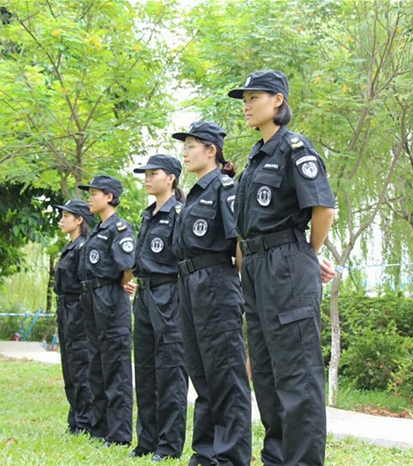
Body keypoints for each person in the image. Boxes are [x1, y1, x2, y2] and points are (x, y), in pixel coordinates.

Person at [227, 70, 337, 465]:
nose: (246, 105)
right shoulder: (255, 160)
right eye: (244, 99)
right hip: (256, 269)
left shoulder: (295, 149)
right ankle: (276, 459)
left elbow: (323, 209)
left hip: (287, 266)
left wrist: (306, 253)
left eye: (254, 97)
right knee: (267, 374)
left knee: (297, 375)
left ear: (277, 101)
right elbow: (245, 228)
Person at [171, 121, 252, 466]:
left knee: (226, 377)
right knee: (201, 376)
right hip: (189, 285)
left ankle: (231, 457)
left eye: (191, 146)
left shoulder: (224, 187)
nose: (185, 153)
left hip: (216, 282)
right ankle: (205, 455)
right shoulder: (193, 194)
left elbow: (240, 243)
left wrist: (238, 288)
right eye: (184, 146)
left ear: (211, 150)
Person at [126, 154, 188, 461]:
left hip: (169, 294)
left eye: (154, 173)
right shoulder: (148, 215)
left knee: (170, 371)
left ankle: (168, 445)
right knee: (145, 370)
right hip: (145, 296)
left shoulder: (179, 213)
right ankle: (146, 441)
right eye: (146, 174)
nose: (147, 178)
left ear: (171, 178)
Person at [77, 175, 136, 447]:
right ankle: (100, 429)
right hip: (92, 299)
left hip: (110, 298)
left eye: (94, 194)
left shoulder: (119, 228)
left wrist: (117, 286)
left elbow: (128, 268)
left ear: (109, 197)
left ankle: (119, 434)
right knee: (97, 365)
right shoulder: (97, 230)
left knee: (116, 367)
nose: (89, 198)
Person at [53, 199, 95, 436]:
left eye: (66, 216)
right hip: (65, 310)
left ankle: (85, 422)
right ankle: (75, 419)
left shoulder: (84, 248)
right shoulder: (71, 247)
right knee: (69, 366)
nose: (61, 221)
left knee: (80, 366)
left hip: (78, 310)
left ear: (79, 220)